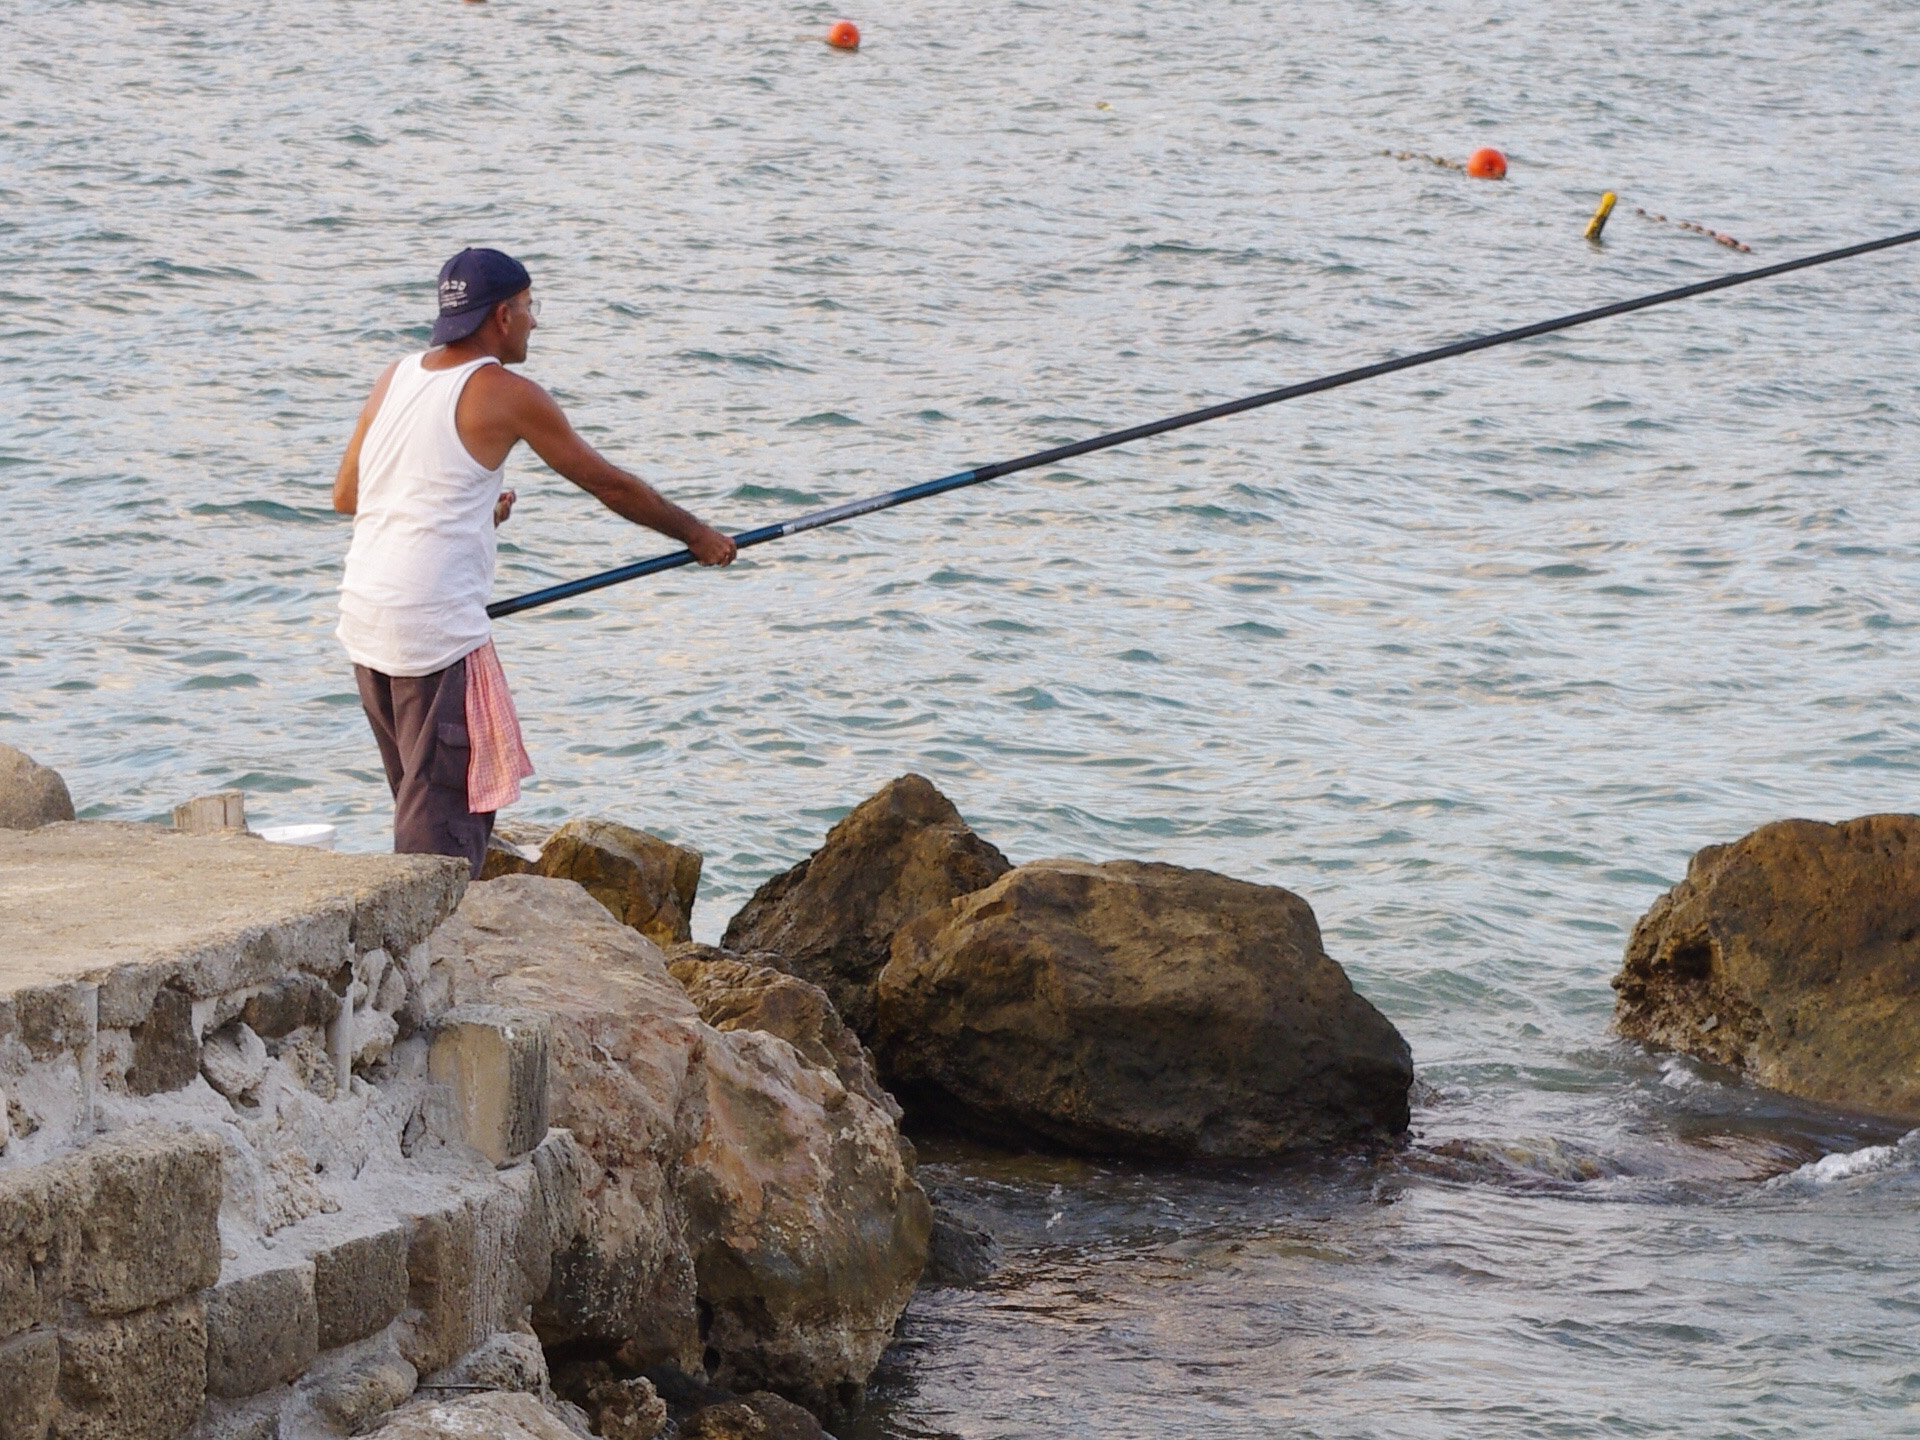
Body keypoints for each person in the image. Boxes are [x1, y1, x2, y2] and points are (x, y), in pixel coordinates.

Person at [333, 247, 736, 876]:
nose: (534, 322)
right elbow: (609, 484)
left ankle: (415, 946)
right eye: (529, 307)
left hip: (364, 619)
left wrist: (471, 509)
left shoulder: (397, 375)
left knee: (419, 801)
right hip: (429, 632)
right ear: (501, 316)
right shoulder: (508, 393)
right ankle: (427, 958)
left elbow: (349, 496)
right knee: (440, 834)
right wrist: (697, 534)